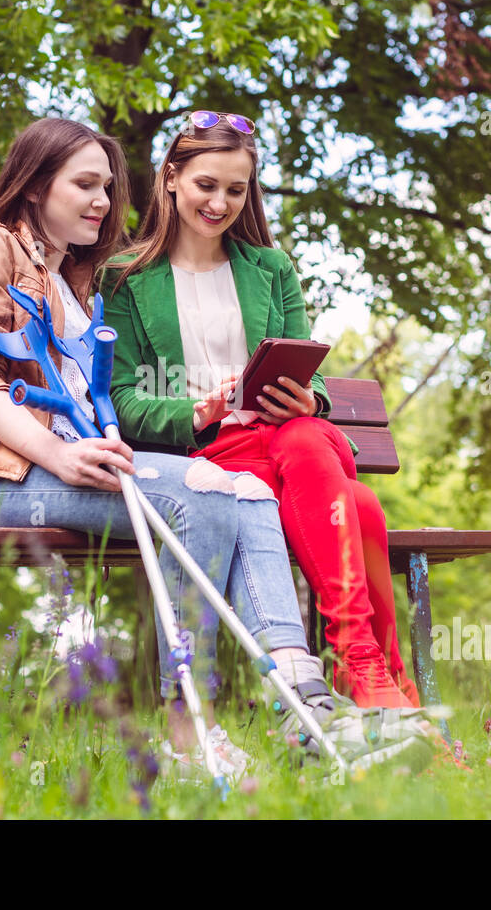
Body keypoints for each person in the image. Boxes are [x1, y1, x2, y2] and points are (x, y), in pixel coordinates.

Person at [0, 117, 430, 780]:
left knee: (243, 487)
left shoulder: (72, 275)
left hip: (73, 466)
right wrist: (58, 454)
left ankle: (306, 705)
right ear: (37, 186)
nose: (103, 201)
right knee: (204, 489)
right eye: (86, 185)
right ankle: (189, 732)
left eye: (108, 186)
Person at [101, 111, 421, 709]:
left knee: (303, 435)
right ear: (171, 178)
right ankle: (380, 681)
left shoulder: (270, 270)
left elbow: (311, 372)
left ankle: (361, 667)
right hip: (211, 458)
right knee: (360, 506)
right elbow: (119, 400)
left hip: (288, 443)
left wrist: (310, 397)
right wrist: (201, 408)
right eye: (206, 185)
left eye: (235, 189)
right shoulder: (123, 279)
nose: (220, 202)